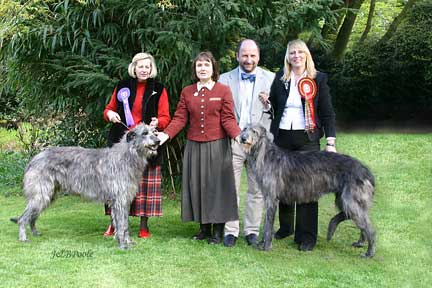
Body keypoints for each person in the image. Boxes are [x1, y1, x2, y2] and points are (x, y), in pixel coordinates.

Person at [157, 51, 241, 245]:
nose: (202, 68)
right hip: (194, 146)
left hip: (217, 146)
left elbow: (228, 118)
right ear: (195, 70)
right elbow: (180, 118)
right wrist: (166, 134)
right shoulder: (187, 91)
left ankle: (218, 232)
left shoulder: (223, 91)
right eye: (199, 65)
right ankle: (203, 229)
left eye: (206, 65)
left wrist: (238, 135)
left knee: (217, 188)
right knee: (198, 187)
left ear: (213, 68)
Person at [268, 39, 336, 252]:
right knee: (283, 184)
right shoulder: (280, 78)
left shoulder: (318, 79)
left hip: (307, 139)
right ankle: (286, 227)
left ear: (306, 54)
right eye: (292, 53)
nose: (296, 56)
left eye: (299, 52)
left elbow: (327, 112)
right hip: (282, 138)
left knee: (308, 187)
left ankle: (306, 236)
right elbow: (275, 105)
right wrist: (267, 103)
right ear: (287, 57)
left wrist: (331, 142)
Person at [102, 52, 171, 239]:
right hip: (121, 145)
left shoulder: (159, 88)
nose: (144, 70)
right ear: (134, 68)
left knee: (146, 185)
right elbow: (108, 109)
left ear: (151, 69)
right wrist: (110, 115)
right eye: (141, 66)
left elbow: (166, 117)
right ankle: (113, 224)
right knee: (115, 186)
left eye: (147, 67)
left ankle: (143, 226)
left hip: (147, 144)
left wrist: (159, 121)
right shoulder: (122, 86)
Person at [218, 39, 275, 247]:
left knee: (257, 189)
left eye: (252, 56)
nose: (248, 59)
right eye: (245, 55)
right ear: (237, 56)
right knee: (231, 187)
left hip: (260, 145)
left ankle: (252, 230)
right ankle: (230, 230)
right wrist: (233, 134)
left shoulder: (271, 79)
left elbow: (278, 111)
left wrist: (270, 104)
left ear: (258, 57)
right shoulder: (224, 79)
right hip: (234, 140)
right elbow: (221, 112)